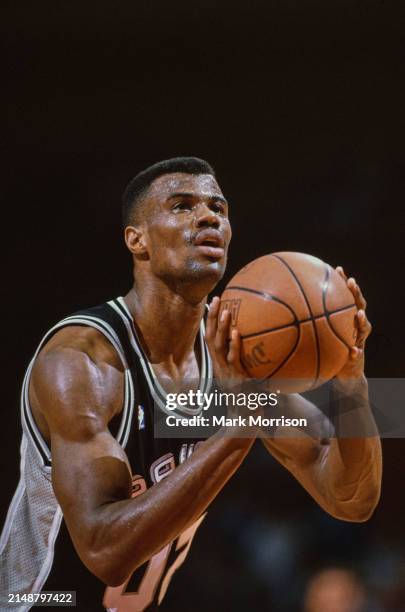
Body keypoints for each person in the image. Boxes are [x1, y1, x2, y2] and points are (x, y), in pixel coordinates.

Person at [0, 157, 382, 611]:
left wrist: (351, 384)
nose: (208, 217)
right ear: (135, 239)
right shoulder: (81, 362)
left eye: (219, 208)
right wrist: (240, 427)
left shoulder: (232, 354)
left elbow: (350, 497)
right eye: (182, 206)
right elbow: (105, 551)